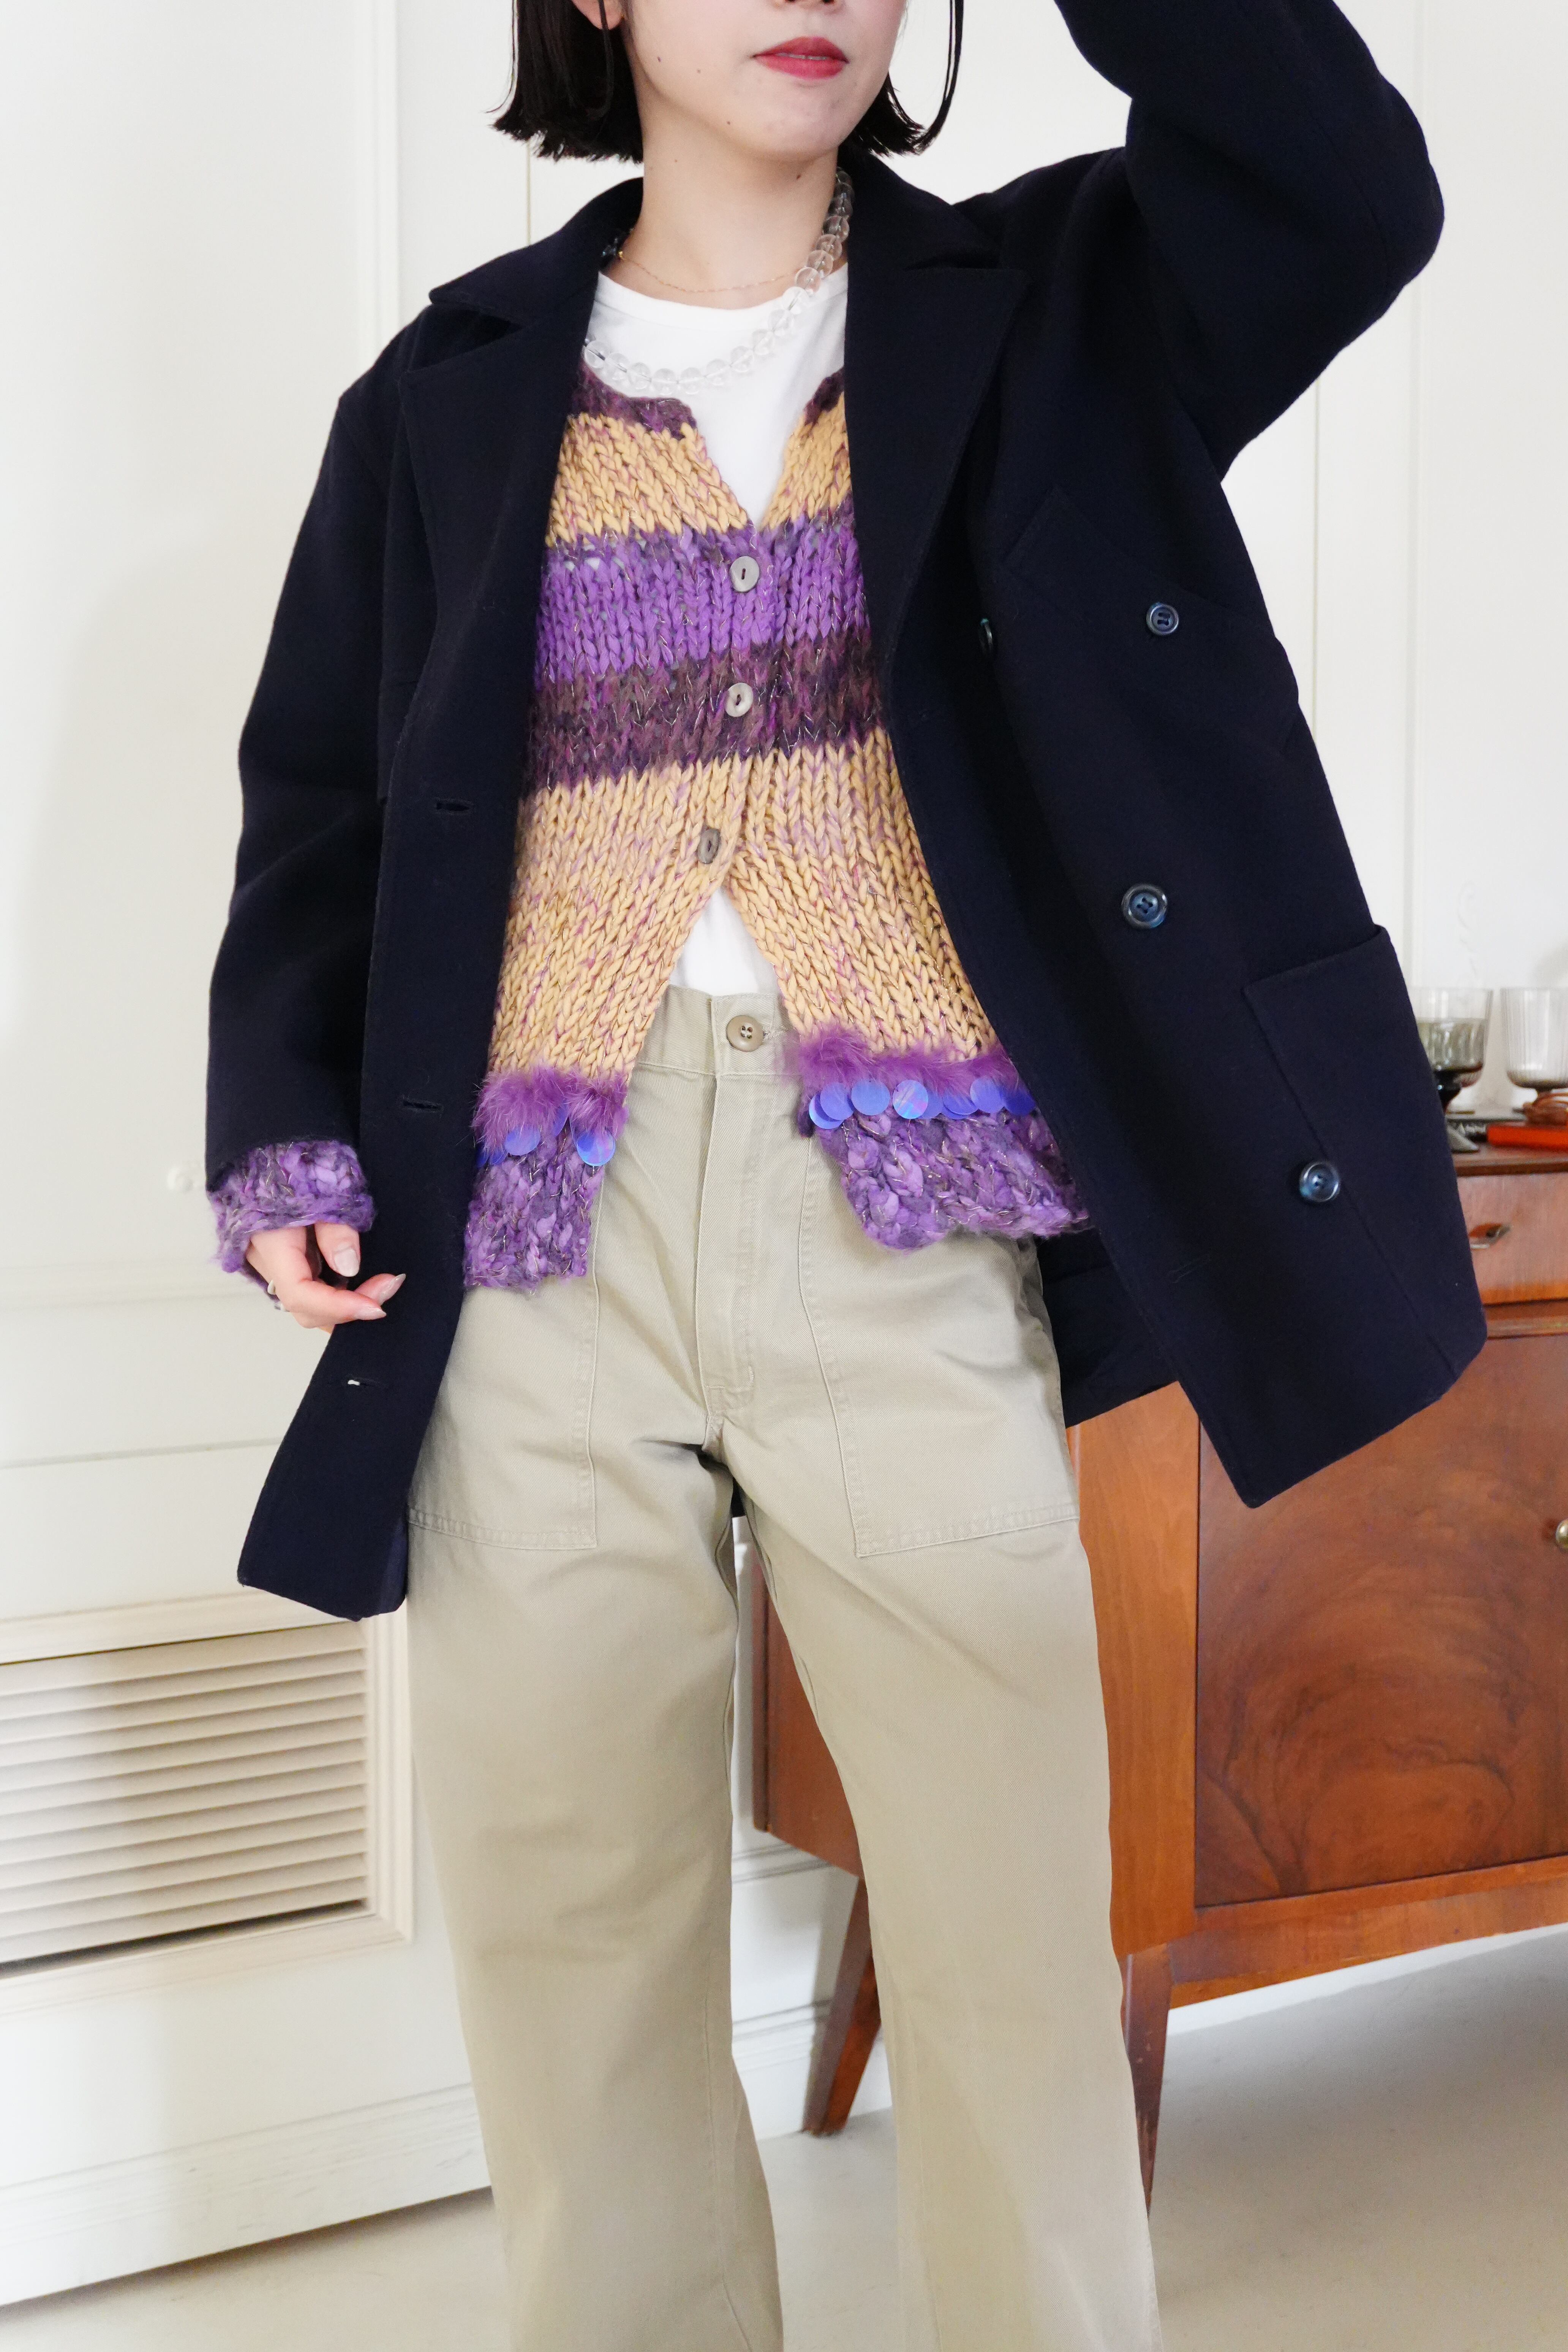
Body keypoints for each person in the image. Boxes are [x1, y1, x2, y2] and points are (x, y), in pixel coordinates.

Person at [206, 1, 1478, 2344]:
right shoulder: (443, 396)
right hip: (535, 1249)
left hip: (901, 1228)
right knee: (573, 1938)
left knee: (1008, 1932)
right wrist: (284, 1126)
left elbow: (1345, 189)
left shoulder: (1067, 313)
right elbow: (327, 800)